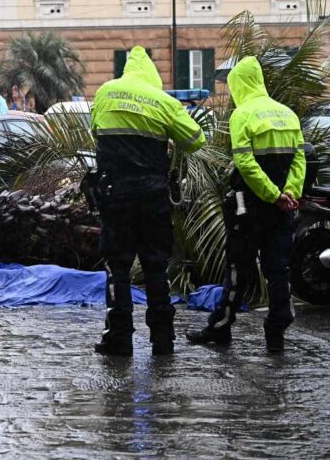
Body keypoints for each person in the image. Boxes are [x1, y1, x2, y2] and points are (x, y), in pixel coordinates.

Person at [91, 46, 206, 356]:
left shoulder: (106, 92)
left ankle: (119, 338)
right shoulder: (163, 101)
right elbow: (196, 140)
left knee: (118, 267)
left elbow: (95, 131)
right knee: (156, 267)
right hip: (154, 197)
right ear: (152, 75)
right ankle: (162, 340)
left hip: (116, 195)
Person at [186, 56, 305, 353]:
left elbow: (245, 162)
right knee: (278, 268)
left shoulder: (243, 115)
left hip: (249, 207)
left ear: (240, 84)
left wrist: (271, 195)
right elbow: (300, 159)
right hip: (283, 208)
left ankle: (221, 327)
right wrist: (288, 193)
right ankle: (276, 331)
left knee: (238, 269)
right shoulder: (287, 114)